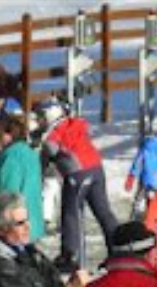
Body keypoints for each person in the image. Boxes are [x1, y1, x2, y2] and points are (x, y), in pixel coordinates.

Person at [35, 99, 119, 270]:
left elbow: (50, 150)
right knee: (103, 212)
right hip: (96, 168)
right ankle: (119, 249)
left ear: (50, 114)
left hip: (77, 174)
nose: (40, 121)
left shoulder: (54, 132)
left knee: (72, 214)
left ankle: (72, 256)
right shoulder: (74, 124)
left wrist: (42, 161)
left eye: (41, 116)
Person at [0, 113, 47, 248]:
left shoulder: (11, 158)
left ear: (9, 134)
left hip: (12, 227)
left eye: (0, 133)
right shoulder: (30, 154)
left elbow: (6, 196)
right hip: (29, 222)